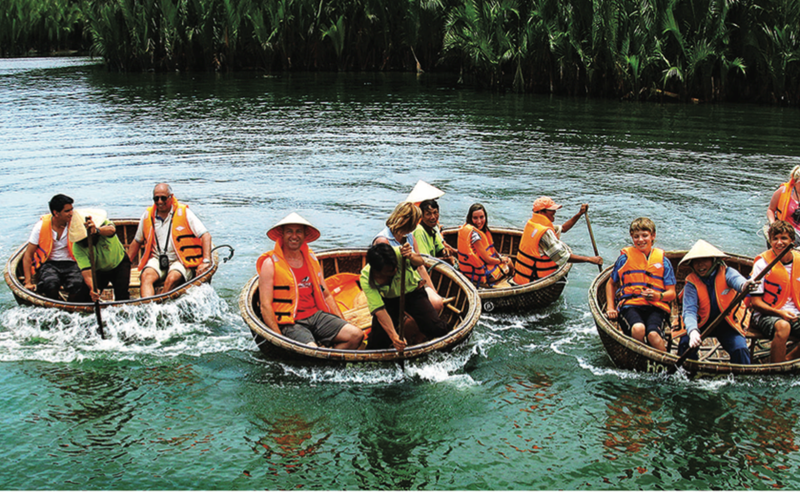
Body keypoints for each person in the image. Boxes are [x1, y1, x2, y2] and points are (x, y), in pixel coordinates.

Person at [257, 213, 363, 349]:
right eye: (289, 231)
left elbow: (326, 295)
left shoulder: (311, 259)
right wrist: (278, 338)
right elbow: (265, 306)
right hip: (290, 322)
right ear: (282, 235)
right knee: (312, 349)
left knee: (356, 335)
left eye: (298, 232)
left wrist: (342, 322)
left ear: (304, 235)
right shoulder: (270, 264)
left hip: (315, 316)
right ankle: (322, 357)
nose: (294, 236)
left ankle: (327, 365)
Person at [127, 183, 212, 297]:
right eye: (156, 198)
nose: (160, 202)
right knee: (146, 276)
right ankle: (149, 307)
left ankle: (161, 304)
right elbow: (137, 241)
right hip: (157, 258)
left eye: (163, 198)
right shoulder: (148, 215)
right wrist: (125, 265)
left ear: (171, 197)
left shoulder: (184, 212)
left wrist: (206, 261)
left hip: (181, 260)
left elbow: (205, 236)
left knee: (172, 278)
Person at [360, 243, 449, 351]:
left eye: (395, 268)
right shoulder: (366, 277)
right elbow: (379, 309)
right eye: (390, 271)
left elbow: (420, 262)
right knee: (378, 340)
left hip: (413, 293)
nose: (396, 271)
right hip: (388, 300)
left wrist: (411, 256)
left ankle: (451, 345)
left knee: (434, 327)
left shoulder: (400, 253)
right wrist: (394, 336)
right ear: (378, 272)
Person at [677, 239, 753, 364]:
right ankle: (688, 376)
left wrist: (745, 285)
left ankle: (741, 379)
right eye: (696, 262)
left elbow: (738, 281)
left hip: (728, 323)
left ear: (713, 261)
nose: (700, 265)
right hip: (701, 323)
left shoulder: (727, 273)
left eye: (704, 261)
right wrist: (693, 331)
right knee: (686, 344)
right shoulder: (691, 283)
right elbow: (689, 310)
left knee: (740, 349)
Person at [604, 218, 676, 352]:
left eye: (645, 235)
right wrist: (610, 308)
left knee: (653, 335)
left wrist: (657, 295)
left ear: (653, 236)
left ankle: (668, 367)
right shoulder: (624, 259)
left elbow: (671, 293)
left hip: (655, 307)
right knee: (638, 329)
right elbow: (611, 283)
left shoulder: (664, 262)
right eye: (636, 237)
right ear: (632, 237)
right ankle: (640, 358)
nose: (640, 240)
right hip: (630, 306)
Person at [513, 197, 603, 285]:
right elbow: (563, 256)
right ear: (541, 212)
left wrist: (579, 214)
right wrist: (589, 259)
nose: (554, 212)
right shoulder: (545, 232)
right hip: (534, 280)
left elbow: (563, 228)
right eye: (551, 210)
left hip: (522, 278)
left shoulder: (533, 224)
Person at [373, 202, 444, 311]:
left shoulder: (409, 236)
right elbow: (382, 276)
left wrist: (432, 289)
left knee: (437, 303)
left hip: (413, 284)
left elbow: (420, 266)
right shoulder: (383, 241)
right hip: (395, 290)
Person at [748, 221, 800, 363]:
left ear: (792, 242)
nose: (779, 243)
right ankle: (778, 368)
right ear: (770, 242)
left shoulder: (799, 261)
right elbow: (756, 303)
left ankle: (788, 359)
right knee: (783, 326)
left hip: (795, 312)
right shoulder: (762, 264)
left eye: (784, 238)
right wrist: (780, 313)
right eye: (775, 239)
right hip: (766, 314)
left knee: (788, 324)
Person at [21, 194, 88, 301]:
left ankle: (72, 306)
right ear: (56, 213)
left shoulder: (77, 223)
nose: (71, 213)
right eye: (67, 211)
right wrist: (28, 282)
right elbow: (28, 255)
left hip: (72, 263)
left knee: (77, 284)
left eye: (72, 209)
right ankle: (54, 304)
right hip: (50, 264)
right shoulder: (40, 226)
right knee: (50, 284)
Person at [69, 209, 131, 302]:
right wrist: (92, 288)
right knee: (84, 299)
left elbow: (112, 230)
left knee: (122, 297)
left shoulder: (103, 224)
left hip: (119, 264)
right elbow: (87, 273)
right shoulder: (77, 247)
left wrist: (97, 230)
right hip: (98, 271)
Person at [457, 203, 514, 286]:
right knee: (509, 262)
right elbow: (487, 260)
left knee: (505, 259)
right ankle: (511, 281)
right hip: (481, 275)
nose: (479, 221)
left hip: (477, 269)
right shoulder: (475, 236)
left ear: (485, 217)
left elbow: (491, 249)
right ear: (470, 218)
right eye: (475, 218)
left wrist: (499, 257)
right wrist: (502, 260)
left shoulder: (478, 230)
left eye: (481, 217)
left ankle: (507, 279)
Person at [413, 199, 456, 264]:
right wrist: (448, 259)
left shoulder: (433, 229)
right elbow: (425, 259)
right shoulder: (419, 231)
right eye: (428, 214)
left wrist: (445, 252)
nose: (433, 217)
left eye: (435, 213)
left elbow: (440, 248)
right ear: (421, 216)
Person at [767, 165, 800, 238]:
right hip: (786, 230)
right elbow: (771, 209)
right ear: (794, 181)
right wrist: (772, 223)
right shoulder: (782, 191)